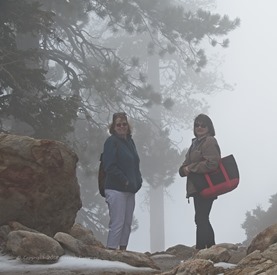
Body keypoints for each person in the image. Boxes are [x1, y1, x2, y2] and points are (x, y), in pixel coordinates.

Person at [179, 114, 221, 250]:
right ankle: (209, 249)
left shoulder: (209, 141)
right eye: (197, 125)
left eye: (203, 125)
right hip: (197, 187)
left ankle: (203, 249)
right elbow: (185, 164)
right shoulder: (195, 143)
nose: (200, 127)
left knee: (201, 218)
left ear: (209, 127)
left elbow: (213, 163)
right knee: (201, 218)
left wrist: (190, 168)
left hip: (207, 185)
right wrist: (183, 169)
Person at [102, 112, 142, 251]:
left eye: (124, 124)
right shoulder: (111, 142)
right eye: (118, 124)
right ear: (113, 127)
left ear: (128, 125)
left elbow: (135, 164)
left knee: (127, 223)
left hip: (130, 189)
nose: (121, 127)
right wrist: (124, 180)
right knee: (117, 222)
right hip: (115, 188)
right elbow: (109, 166)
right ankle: (111, 252)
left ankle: (123, 251)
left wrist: (138, 181)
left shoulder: (130, 142)